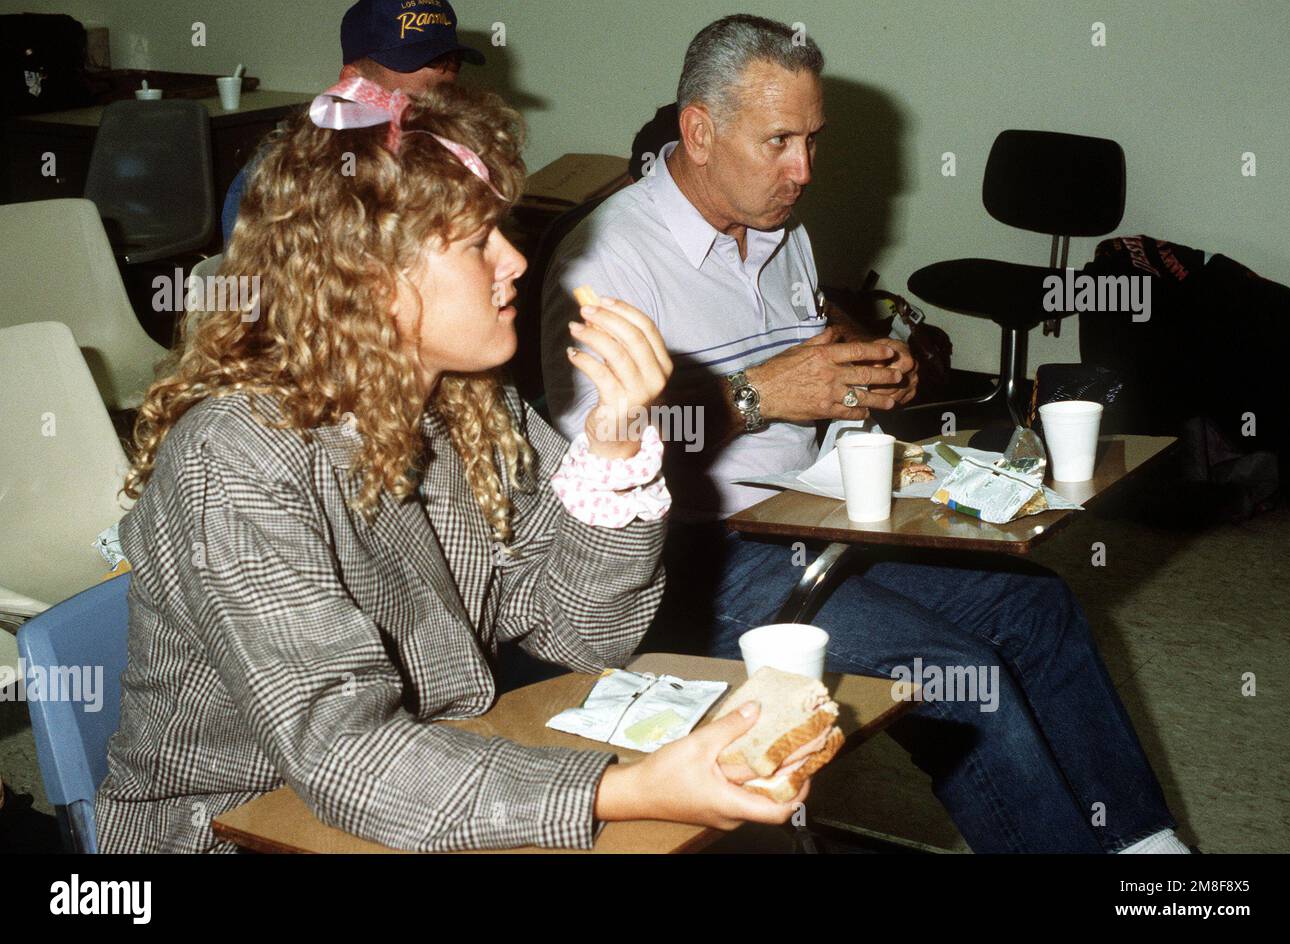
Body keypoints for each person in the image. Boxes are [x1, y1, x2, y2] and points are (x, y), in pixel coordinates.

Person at [95, 79, 812, 853]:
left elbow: (581, 633)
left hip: (402, 788)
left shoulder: (465, 402)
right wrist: (622, 790)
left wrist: (611, 442)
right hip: (231, 828)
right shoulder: (236, 457)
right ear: (372, 283)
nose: (514, 260)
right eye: (477, 243)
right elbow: (345, 754)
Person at [542, 14, 1191, 854]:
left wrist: (867, 368)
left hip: (813, 517)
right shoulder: (607, 260)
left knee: (1038, 608)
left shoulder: (782, 233)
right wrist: (756, 397)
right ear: (698, 132)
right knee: (965, 676)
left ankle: (1155, 862)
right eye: (779, 141)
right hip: (689, 561)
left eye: (812, 139)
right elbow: (583, 468)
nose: (803, 170)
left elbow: (809, 345)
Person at [220, 0, 482, 244]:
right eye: (412, 106)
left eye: (445, 103)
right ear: (353, 85)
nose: (433, 124)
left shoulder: (454, 156)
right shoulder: (287, 178)